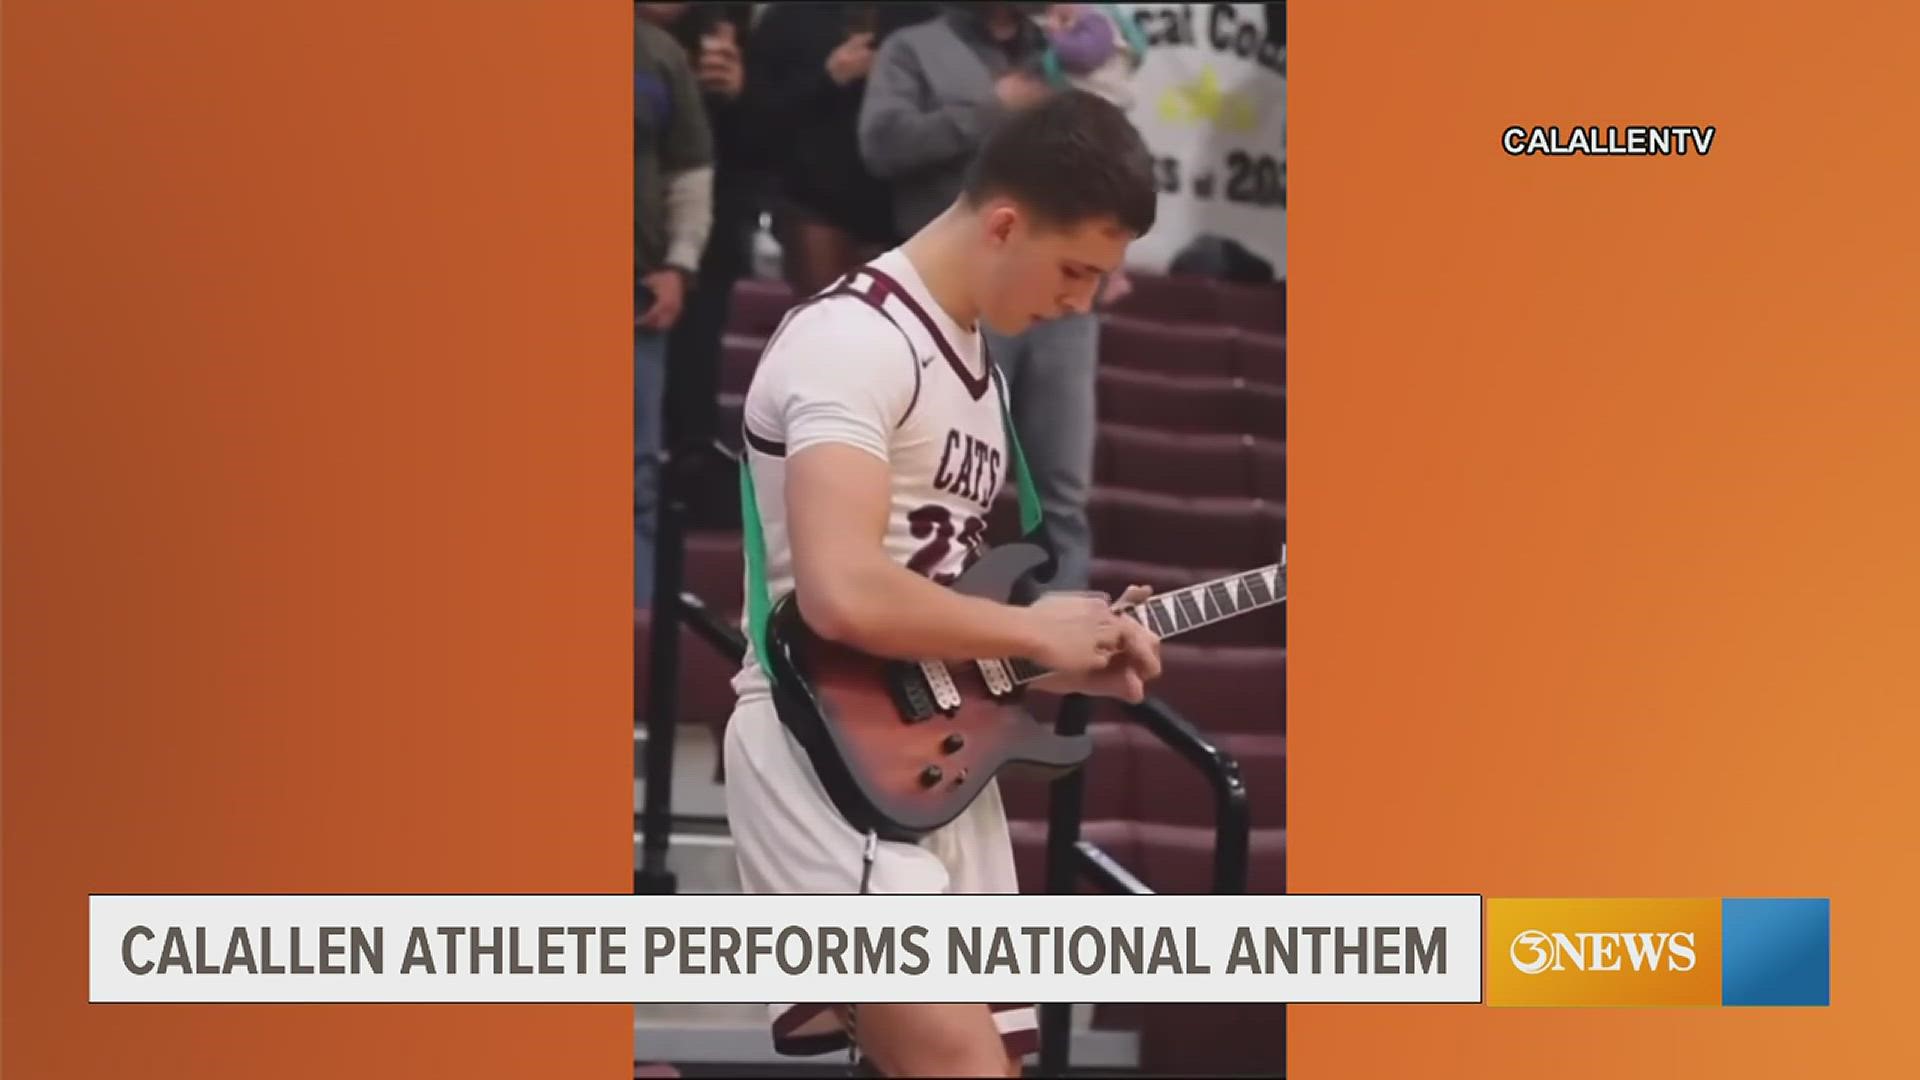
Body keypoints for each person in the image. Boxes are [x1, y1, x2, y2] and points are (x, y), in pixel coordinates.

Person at [726, 90, 1160, 1077]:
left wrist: (1058, 663)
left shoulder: (977, 371)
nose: (1081, 301)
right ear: (1005, 223)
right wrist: (1031, 634)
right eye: (1076, 269)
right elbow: (839, 593)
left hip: (918, 748)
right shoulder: (852, 339)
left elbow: (928, 610)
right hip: (816, 742)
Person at [859, 2, 1107, 591]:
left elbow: (1103, 155)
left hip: (1063, 301)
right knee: (951, 481)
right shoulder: (913, 47)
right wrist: (992, 110)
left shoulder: (1065, 52)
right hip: (957, 302)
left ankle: (1059, 658)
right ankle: (936, 647)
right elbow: (882, 143)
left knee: (1063, 493)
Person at [747, 2, 941, 296]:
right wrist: (830, 78)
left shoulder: (925, 15)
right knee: (824, 315)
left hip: (905, 199)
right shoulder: (789, 16)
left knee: (900, 325)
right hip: (815, 195)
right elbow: (757, 113)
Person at [645, 3, 769, 455]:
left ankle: (683, 477)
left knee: (691, 369)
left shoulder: (729, 28)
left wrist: (737, 95)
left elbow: (767, 149)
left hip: (706, 232)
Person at [636, 7, 714, 607]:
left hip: (633, 289)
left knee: (634, 477)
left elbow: (689, 169)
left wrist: (679, 263)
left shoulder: (656, 53)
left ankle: (630, 636)